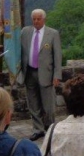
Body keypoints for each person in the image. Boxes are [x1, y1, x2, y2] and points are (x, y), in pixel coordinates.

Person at [18, 8, 63, 141]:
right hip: (29, 72)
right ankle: (38, 129)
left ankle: (50, 127)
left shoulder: (52, 33)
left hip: (46, 73)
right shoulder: (25, 32)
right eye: (34, 19)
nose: (36, 21)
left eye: (39, 19)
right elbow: (13, 41)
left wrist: (57, 75)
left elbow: (58, 55)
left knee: (48, 105)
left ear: (44, 19)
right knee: (33, 103)